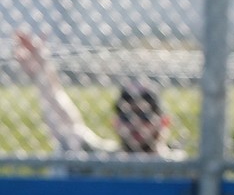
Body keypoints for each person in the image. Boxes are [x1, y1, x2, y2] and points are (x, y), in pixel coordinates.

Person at [13, 31, 184, 158]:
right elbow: (69, 127)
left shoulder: (178, 166)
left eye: (144, 115)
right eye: (126, 116)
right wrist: (43, 73)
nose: (135, 123)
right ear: (115, 123)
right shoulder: (105, 159)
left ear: (164, 121)